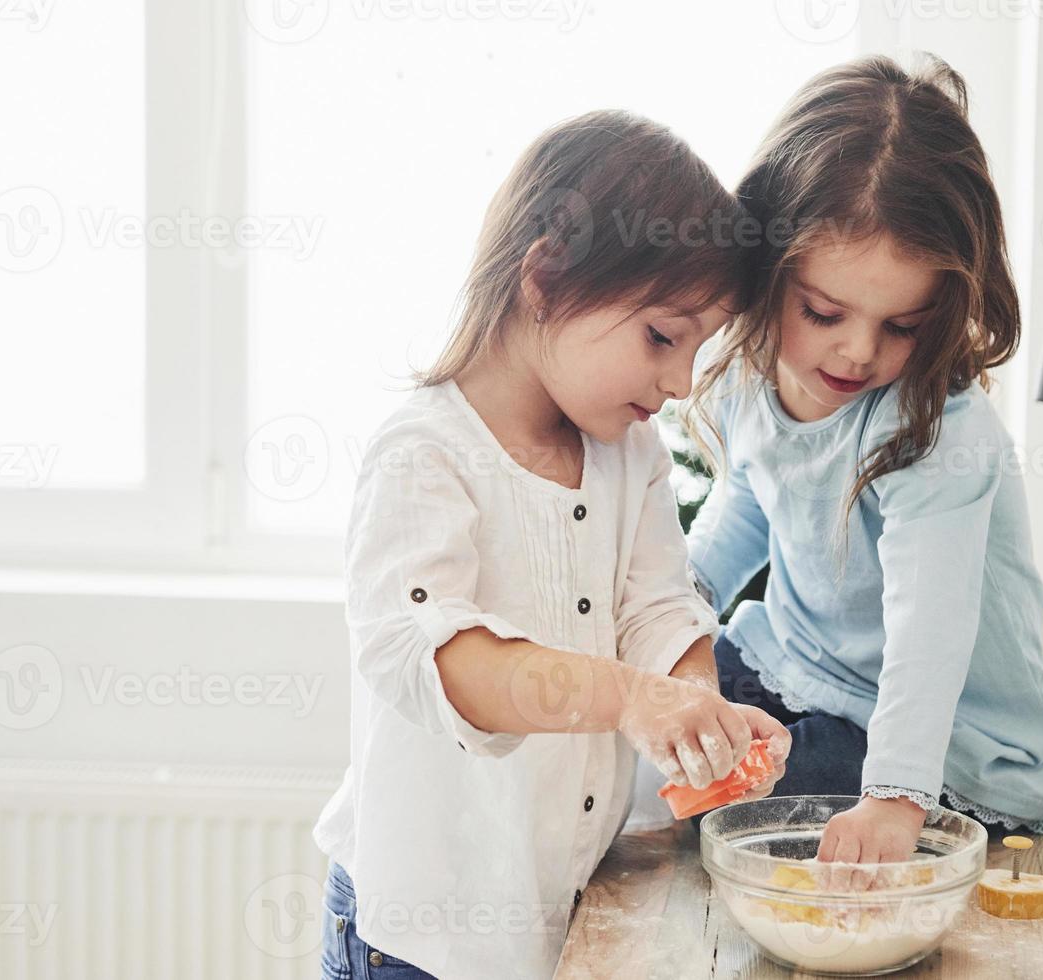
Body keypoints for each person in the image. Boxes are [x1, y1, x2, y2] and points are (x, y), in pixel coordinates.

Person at [313, 109, 791, 980]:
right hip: (421, 941)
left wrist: (699, 718)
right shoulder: (424, 456)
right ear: (543, 279)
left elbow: (656, 605)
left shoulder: (630, 454)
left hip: (561, 913)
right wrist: (629, 701)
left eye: (698, 348)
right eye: (661, 335)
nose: (681, 382)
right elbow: (438, 662)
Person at [682, 55, 1043, 877]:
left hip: (951, 753)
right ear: (767, 269)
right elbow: (750, 508)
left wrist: (895, 796)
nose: (859, 350)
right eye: (824, 313)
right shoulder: (755, 374)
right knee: (655, 726)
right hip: (802, 672)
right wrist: (670, 614)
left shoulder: (937, 431)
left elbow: (928, 631)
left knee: (731, 801)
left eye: (903, 326)